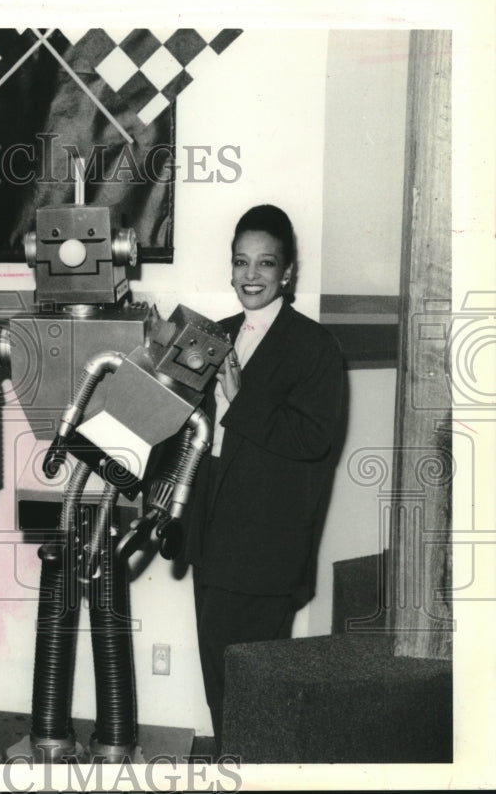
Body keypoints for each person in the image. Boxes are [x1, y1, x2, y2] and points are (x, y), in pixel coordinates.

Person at [182, 204, 345, 749]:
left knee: (253, 692)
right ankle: (234, 763)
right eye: (241, 262)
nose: (251, 275)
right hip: (210, 540)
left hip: (264, 553)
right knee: (218, 680)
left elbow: (312, 440)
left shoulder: (314, 347)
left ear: (287, 272)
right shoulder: (214, 334)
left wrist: (240, 402)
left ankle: (247, 770)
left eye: (265, 263)